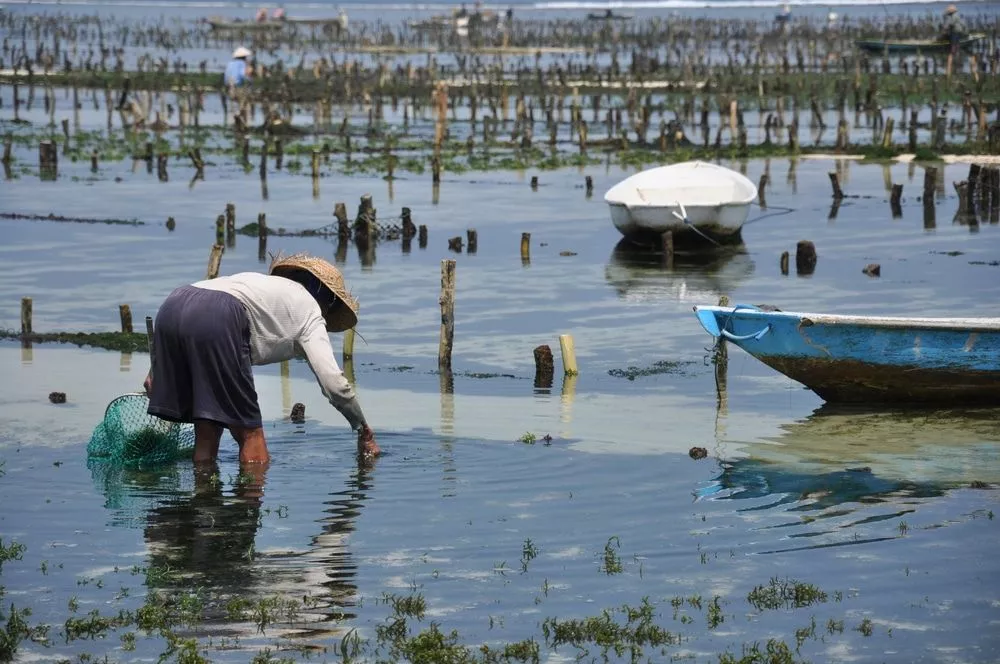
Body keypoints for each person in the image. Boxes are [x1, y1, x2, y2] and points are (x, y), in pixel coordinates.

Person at [144, 253, 380, 465]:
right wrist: (363, 427)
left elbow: (197, 307)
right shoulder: (311, 311)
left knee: (207, 425)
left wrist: (156, 370)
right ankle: (248, 504)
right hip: (220, 317)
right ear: (328, 301)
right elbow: (333, 384)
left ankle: (204, 498)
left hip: (172, 305)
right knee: (250, 433)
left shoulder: (260, 284)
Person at [224, 46, 253, 123]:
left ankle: (235, 120)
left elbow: (226, 77)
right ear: (243, 57)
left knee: (233, 106)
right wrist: (250, 80)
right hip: (238, 87)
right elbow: (242, 75)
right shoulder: (242, 63)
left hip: (229, 87)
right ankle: (244, 121)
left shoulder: (230, 63)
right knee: (243, 105)